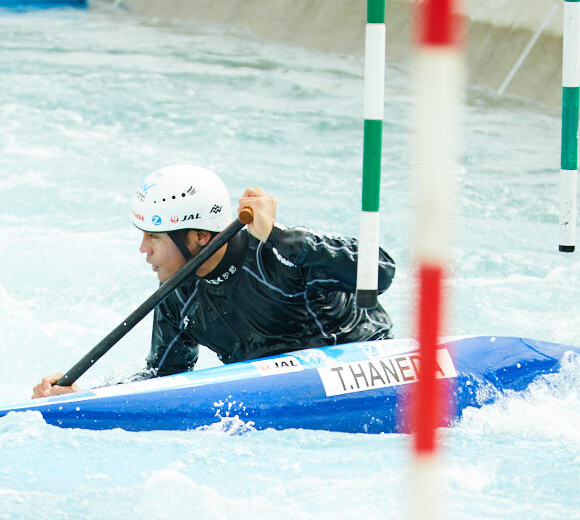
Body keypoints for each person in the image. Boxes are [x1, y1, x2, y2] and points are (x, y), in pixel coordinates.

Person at [33, 163, 395, 398]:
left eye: (155, 238)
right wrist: (85, 396)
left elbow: (380, 270)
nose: (143, 250)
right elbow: (161, 379)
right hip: (276, 389)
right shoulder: (176, 297)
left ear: (201, 237)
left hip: (361, 367)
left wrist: (281, 237)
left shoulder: (278, 253)